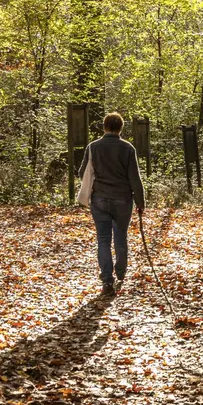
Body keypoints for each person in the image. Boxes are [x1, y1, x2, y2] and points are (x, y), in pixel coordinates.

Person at [78, 112, 145, 297]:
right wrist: (140, 202)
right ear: (121, 128)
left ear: (104, 126)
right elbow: (135, 178)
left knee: (103, 239)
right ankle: (121, 275)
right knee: (121, 236)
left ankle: (107, 279)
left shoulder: (93, 147)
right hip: (123, 199)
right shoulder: (128, 148)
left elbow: (82, 173)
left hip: (99, 199)